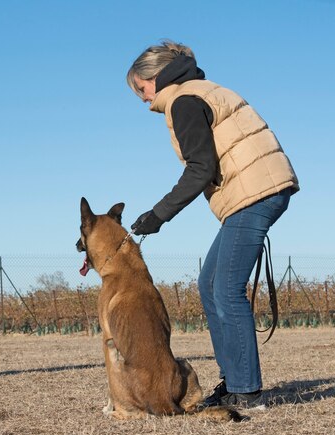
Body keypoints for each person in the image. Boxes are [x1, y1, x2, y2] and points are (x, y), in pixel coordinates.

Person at [126, 41, 299, 409]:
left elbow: (200, 167)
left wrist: (158, 214)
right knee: (211, 285)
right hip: (258, 189)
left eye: (140, 89)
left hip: (255, 193)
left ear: (154, 78)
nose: (141, 99)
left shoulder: (184, 101)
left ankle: (247, 392)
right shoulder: (200, 90)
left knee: (226, 289)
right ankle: (233, 382)